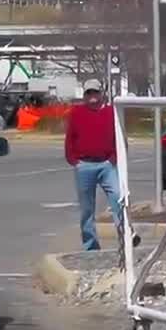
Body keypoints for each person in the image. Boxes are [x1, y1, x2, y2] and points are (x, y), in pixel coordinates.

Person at [65, 79, 139, 251]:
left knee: (119, 198)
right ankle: (91, 247)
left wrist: (114, 158)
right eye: (88, 93)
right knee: (86, 210)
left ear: (101, 94)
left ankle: (127, 235)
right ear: (84, 95)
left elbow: (120, 139)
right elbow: (70, 139)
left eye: (95, 92)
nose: (92, 96)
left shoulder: (111, 113)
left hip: (107, 165)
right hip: (84, 165)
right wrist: (74, 161)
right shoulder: (76, 113)